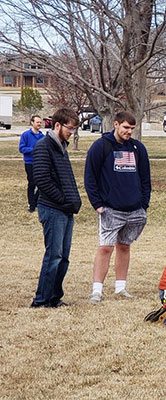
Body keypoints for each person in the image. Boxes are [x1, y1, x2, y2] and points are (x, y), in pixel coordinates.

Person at [84, 111, 151, 304]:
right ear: (115, 124)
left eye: (132, 128)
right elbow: (90, 177)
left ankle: (120, 287)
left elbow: (145, 179)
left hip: (134, 208)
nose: (129, 131)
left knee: (124, 246)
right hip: (110, 209)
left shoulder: (138, 148)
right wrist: (97, 204)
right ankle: (97, 290)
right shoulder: (101, 146)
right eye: (125, 127)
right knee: (105, 247)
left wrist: (143, 203)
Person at [31, 108, 81, 308]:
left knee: (64, 257)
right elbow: (42, 179)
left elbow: (65, 179)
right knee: (54, 256)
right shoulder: (44, 147)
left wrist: (73, 201)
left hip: (66, 210)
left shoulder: (62, 147)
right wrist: (62, 200)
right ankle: (42, 299)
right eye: (69, 128)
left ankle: (54, 297)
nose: (72, 132)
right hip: (52, 209)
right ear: (57, 125)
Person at [19, 115, 45, 212]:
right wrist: (33, 150)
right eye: (37, 122)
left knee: (42, 183)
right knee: (32, 183)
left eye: (40, 122)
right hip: (29, 163)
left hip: (41, 163)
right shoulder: (26, 135)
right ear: (32, 123)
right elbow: (21, 149)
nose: (39, 124)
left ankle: (36, 201)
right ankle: (32, 205)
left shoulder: (43, 137)